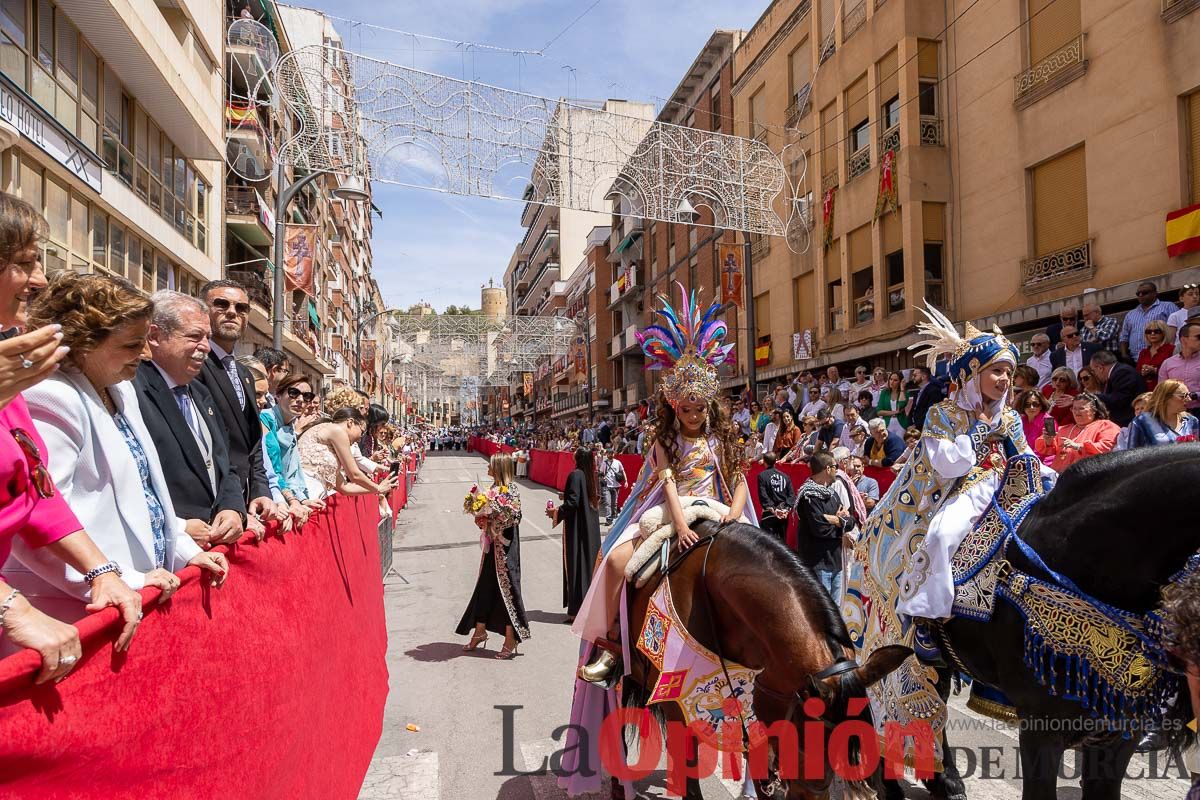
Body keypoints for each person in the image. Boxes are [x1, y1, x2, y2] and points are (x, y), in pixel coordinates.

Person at [564, 283, 751, 701]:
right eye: (686, 409)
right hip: (673, 514)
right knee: (614, 562)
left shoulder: (723, 438)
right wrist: (681, 524)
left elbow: (738, 481)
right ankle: (613, 646)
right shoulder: (664, 442)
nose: (694, 415)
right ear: (673, 407)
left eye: (700, 407)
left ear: (710, 405)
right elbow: (667, 484)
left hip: (718, 511)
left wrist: (735, 517)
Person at [7, 273, 228, 623]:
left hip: (135, 592)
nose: (144, 353)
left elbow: (147, 492)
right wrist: (116, 577)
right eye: (130, 344)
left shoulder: (121, 389)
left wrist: (184, 552)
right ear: (84, 342)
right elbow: (37, 520)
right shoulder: (50, 396)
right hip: (75, 608)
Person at [0, 194, 142, 680]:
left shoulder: (11, 377)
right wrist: (11, 610)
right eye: (23, 264)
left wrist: (103, 571)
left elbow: (37, 492)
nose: (38, 281)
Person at [134, 292, 245, 550]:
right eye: (194, 337)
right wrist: (177, 526)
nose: (206, 346)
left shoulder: (201, 393)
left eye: (207, 337)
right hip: (166, 549)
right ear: (155, 336)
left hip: (210, 548)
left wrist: (232, 508)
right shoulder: (132, 391)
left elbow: (224, 463)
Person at [196, 280, 275, 534]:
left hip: (241, 503)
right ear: (202, 310)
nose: (232, 312)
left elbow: (252, 445)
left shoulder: (245, 374)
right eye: (221, 304)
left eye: (241, 308)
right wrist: (232, 508)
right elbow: (206, 445)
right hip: (211, 508)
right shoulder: (194, 366)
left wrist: (261, 492)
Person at [456, 453, 528, 659]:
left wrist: (495, 520)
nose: (488, 467)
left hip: (506, 549)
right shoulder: (492, 491)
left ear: (499, 468)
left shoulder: (511, 490)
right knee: (485, 587)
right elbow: (486, 517)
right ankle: (479, 631)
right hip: (491, 548)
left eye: (491, 465)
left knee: (508, 590)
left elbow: (514, 517)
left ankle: (510, 637)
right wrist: (482, 518)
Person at [261, 374, 323, 524]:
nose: (301, 400)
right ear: (278, 395)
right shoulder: (265, 419)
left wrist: (302, 500)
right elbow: (272, 468)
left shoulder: (290, 427)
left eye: (307, 396)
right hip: (267, 497)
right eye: (294, 393)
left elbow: (292, 472)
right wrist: (292, 501)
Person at [296, 407, 396, 499]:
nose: (359, 438)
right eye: (361, 432)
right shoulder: (336, 430)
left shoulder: (330, 437)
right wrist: (378, 488)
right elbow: (354, 474)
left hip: (313, 497)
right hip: (308, 493)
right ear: (350, 422)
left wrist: (378, 488)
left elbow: (345, 487)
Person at [550, 448, 602, 622]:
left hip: (578, 528)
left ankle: (577, 611)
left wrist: (555, 512)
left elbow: (572, 503)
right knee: (588, 566)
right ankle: (589, 608)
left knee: (576, 566)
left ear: (577, 458)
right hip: (591, 527)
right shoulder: (592, 476)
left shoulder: (575, 475)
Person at [794, 451, 854, 601]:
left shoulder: (832, 493)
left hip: (835, 562)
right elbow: (820, 529)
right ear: (828, 469)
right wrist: (841, 522)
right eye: (836, 466)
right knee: (822, 611)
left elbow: (851, 521)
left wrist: (836, 520)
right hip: (817, 562)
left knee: (837, 609)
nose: (838, 470)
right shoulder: (809, 496)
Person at [1034, 392, 1121, 470]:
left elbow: (1105, 447)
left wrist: (1079, 446)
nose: (1076, 412)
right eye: (1074, 409)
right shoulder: (1064, 429)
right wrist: (1048, 442)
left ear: (1094, 410)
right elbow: (1045, 450)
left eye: (1081, 408)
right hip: (1060, 476)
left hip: (1089, 475)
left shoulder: (1106, 426)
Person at [1125, 380, 1200, 448]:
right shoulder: (1142, 421)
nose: (1189, 399)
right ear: (1166, 398)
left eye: (1189, 395)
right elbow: (1132, 454)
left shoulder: (1192, 421)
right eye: (1183, 396)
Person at [1120, 281, 1178, 362]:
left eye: (1144, 292)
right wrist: (1124, 354)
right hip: (1135, 359)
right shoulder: (1130, 314)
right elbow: (1124, 337)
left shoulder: (1168, 306)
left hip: (1162, 357)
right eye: (1138, 293)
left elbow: (1178, 329)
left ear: (1155, 293)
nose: (1140, 295)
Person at [1089, 349, 1147, 427]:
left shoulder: (1122, 372)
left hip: (1129, 422)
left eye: (1093, 371)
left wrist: (1093, 396)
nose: (1094, 374)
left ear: (1100, 368)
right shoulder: (1117, 372)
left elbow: (1119, 399)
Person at [1160, 321, 1200, 413]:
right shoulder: (1168, 364)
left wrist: (1193, 395)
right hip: (1176, 413)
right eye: (1198, 337)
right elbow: (1161, 390)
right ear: (1183, 340)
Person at [756, 451, 794, 543]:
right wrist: (786, 509)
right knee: (782, 542)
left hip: (770, 514)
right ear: (775, 461)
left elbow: (763, 495)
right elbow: (791, 495)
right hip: (783, 514)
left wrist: (773, 509)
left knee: (767, 543)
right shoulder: (785, 476)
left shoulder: (762, 476)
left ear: (764, 462)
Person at [1136, 319, 1175, 392]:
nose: (1152, 334)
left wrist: (1155, 371)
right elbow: (1137, 371)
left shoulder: (1171, 349)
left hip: (1164, 390)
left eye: (1157, 331)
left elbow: (1175, 372)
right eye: (1148, 332)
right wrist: (1142, 371)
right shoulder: (1143, 352)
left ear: (1164, 333)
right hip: (1145, 390)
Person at [908, 365, 946, 430]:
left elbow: (930, 411)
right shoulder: (917, 392)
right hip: (916, 428)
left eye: (915, 375)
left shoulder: (934, 390)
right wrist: (910, 424)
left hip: (927, 428)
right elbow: (913, 410)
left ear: (923, 376)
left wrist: (916, 426)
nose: (912, 378)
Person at [875, 371, 911, 436]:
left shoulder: (905, 393)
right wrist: (894, 412)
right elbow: (879, 411)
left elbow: (901, 405)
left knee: (900, 443)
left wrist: (902, 389)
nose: (892, 382)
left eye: (895, 380)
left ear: (900, 382)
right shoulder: (884, 392)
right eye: (891, 379)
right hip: (887, 423)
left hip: (901, 423)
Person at [1016, 389, 1052, 454]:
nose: (1031, 407)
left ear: (1041, 405)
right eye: (1027, 404)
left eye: (1035, 404)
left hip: (1043, 460)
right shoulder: (1021, 421)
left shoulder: (1048, 421)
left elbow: (1051, 450)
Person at [600, 448, 628, 524]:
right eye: (609, 453)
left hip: (616, 486)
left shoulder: (618, 462)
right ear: (607, 454)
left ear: (613, 454)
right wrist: (602, 479)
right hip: (607, 486)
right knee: (608, 503)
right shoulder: (604, 463)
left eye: (611, 453)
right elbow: (601, 473)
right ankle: (608, 519)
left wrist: (626, 481)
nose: (610, 455)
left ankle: (614, 516)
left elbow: (622, 471)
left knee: (614, 503)